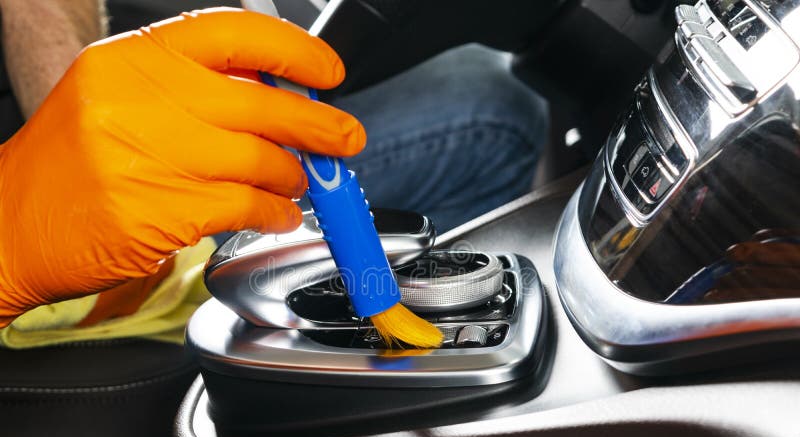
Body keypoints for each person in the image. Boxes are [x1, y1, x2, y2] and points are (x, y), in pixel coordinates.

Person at [0, 1, 547, 330]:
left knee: (479, 79)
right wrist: (84, 186)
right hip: (140, 181)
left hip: (231, 96)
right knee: (492, 113)